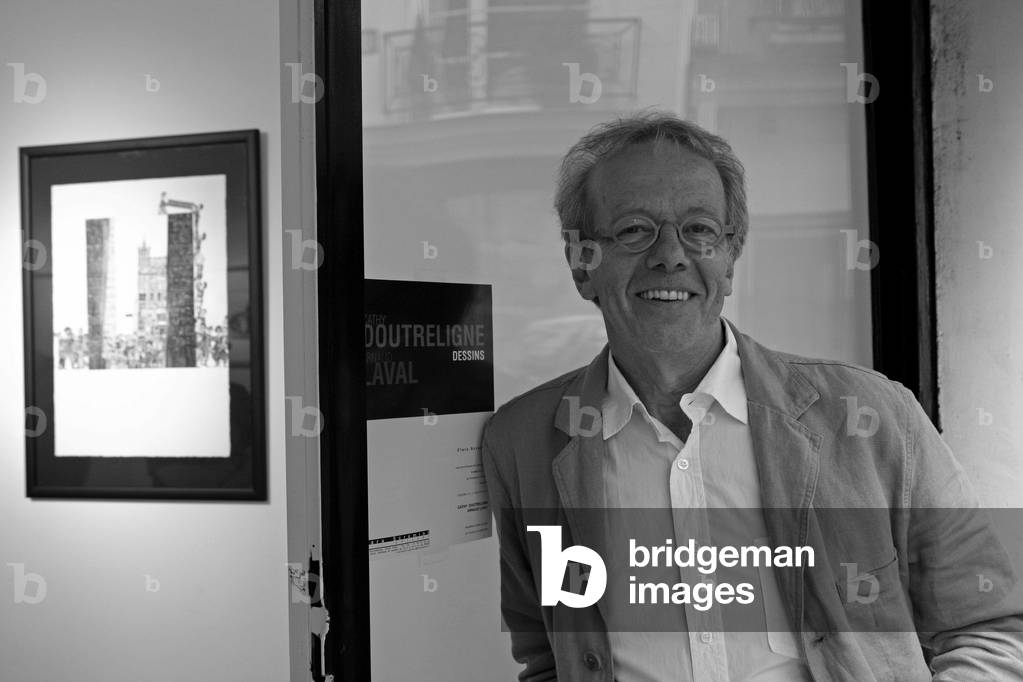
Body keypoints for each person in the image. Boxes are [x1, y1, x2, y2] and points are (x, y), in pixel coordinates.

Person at [480, 112, 1023, 681]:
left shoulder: (872, 418)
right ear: (581, 262)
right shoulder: (524, 445)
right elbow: (547, 658)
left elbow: (987, 628)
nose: (670, 255)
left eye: (699, 230)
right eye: (634, 229)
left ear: (730, 256)